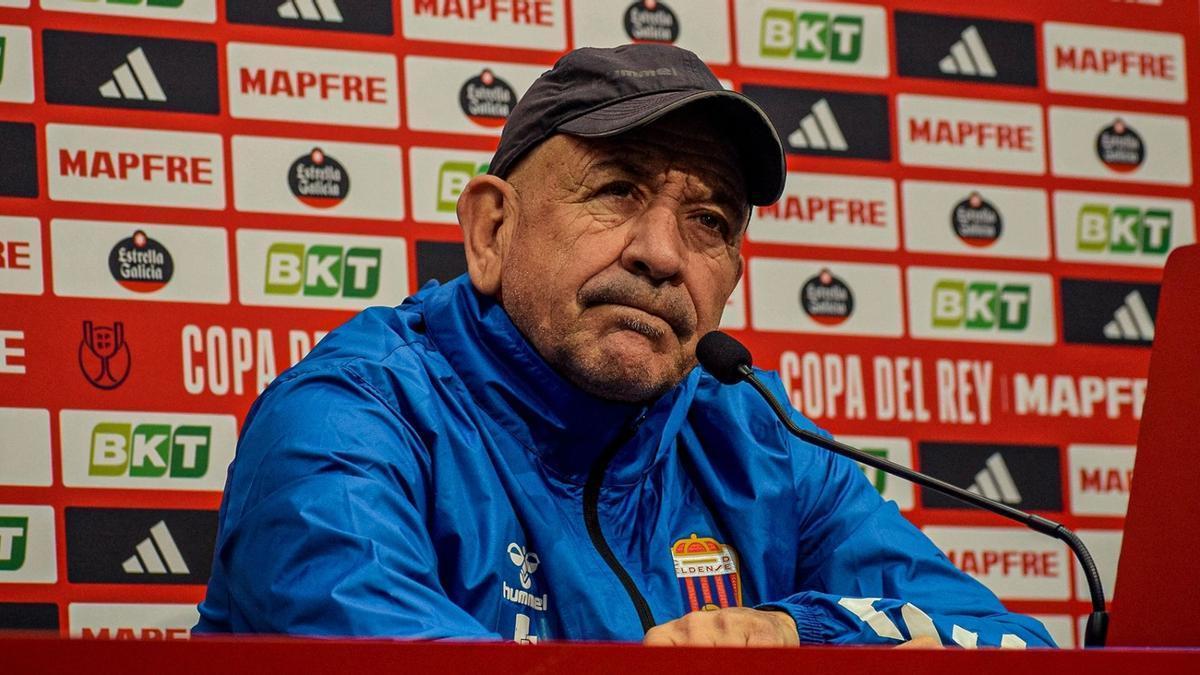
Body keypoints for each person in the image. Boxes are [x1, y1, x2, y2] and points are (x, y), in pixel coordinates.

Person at [195, 44, 1054, 648]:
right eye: (615, 189)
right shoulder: (350, 417)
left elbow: (1012, 644)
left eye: (708, 220)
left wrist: (803, 631)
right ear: (492, 231)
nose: (662, 254)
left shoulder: (759, 442)